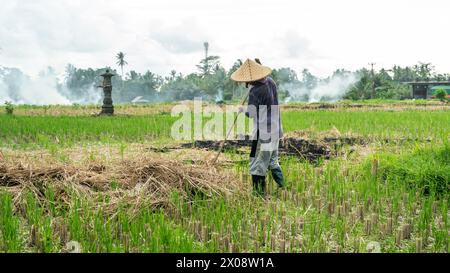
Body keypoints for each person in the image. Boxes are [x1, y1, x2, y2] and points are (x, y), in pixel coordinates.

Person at [230, 58, 285, 195]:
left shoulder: (256, 91)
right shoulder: (271, 82)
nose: (246, 83)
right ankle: (283, 187)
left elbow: (252, 113)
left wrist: (242, 110)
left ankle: (259, 196)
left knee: (257, 164)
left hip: (263, 133)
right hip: (276, 129)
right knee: (273, 161)